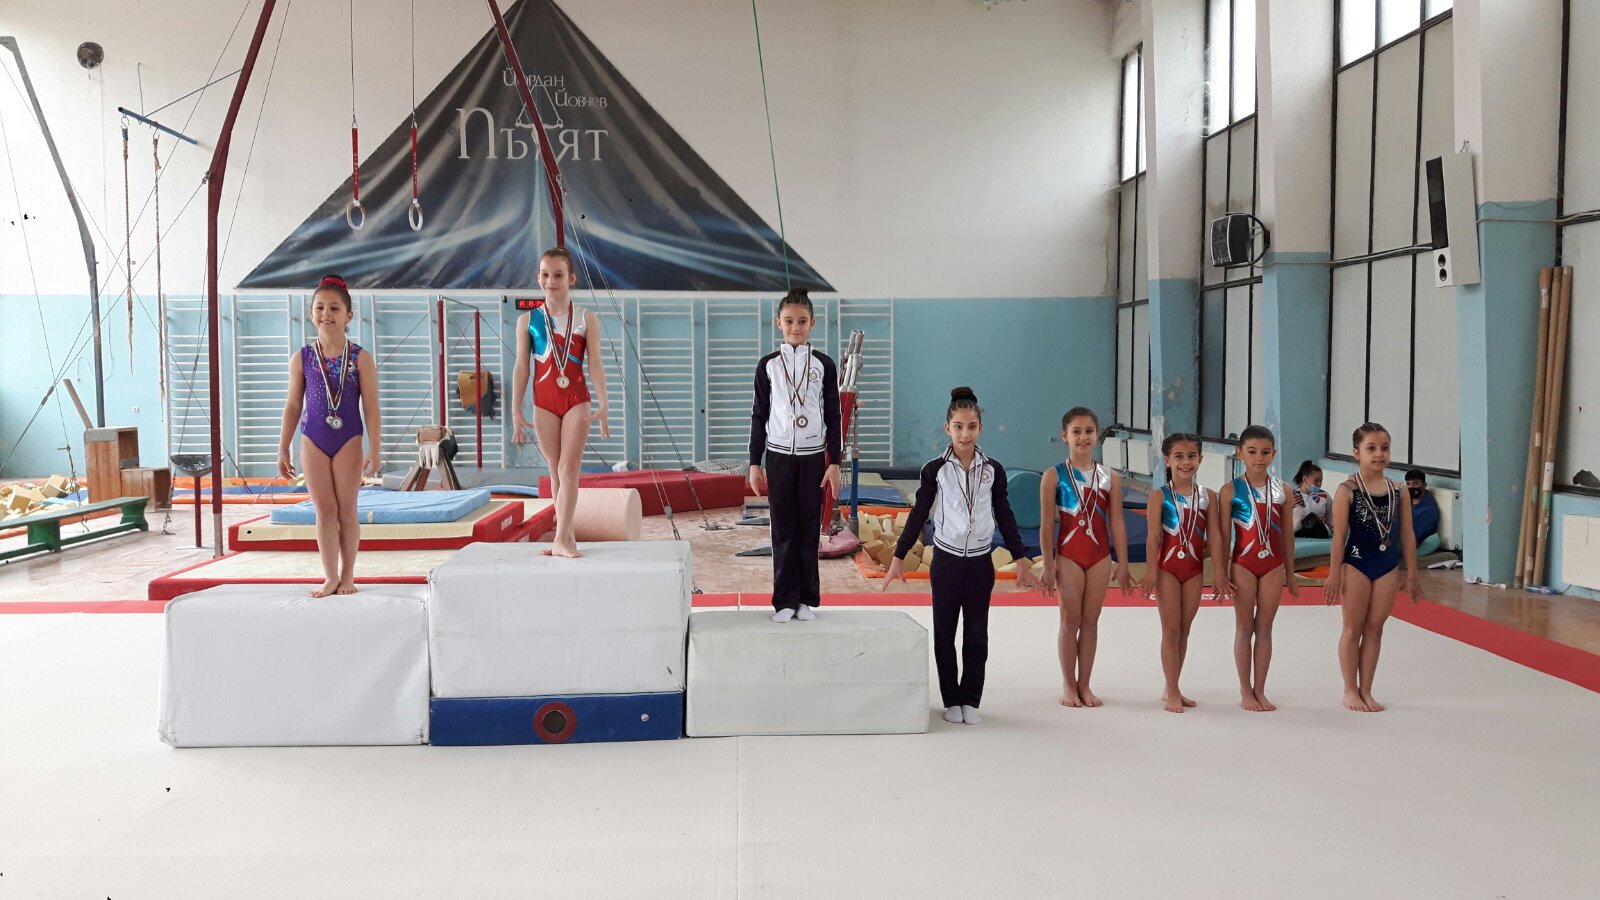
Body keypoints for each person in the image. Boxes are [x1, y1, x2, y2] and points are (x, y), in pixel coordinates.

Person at [884, 387, 1041, 726]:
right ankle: (951, 699)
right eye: (958, 427)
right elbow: (919, 513)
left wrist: (1021, 559)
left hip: (980, 562)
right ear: (947, 428)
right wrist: (898, 556)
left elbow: (1005, 514)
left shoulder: (993, 470)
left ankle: (971, 698)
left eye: (971, 426)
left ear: (980, 428)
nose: (965, 434)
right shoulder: (935, 469)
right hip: (947, 561)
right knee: (945, 632)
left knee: (976, 633)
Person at [276, 274, 381, 598]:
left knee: (347, 511)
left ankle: (348, 575)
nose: (326, 314)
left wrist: (375, 449)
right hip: (313, 439)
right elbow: (293, 405)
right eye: (320, 307)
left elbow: (371, 407)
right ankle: (330, 576)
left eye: (334, 308)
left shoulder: (360, 357)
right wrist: (283, 448)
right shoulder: (303, 357)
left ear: (349, 316)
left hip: (348, 439)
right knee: (324, 511)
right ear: (311, 313)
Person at [748, 289, 842, 623]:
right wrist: (754, 461)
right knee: (783, 530)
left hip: (813, 457)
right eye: (789, 321)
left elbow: (833, 415)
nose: (795, 327)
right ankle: (785, 600)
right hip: (779, 457)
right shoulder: (768, 366)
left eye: (802, 321)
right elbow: (759, 414)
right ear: (778, 323)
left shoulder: (824, 365)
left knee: (808, 529)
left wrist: (835, 462)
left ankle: (805, 600)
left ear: (812, 323)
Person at [512, 247, 611, 559]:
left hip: (576, 399)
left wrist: (604, 403)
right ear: (538, 278)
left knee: (569, 469)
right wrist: (515, 410)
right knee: (555, 472)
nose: (550, 281)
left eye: (557, 275)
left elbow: (595, 363)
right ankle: (565, 536)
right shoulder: (528, 320)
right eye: (545, 275)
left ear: (571, 278)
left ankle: (561, 539)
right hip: (544, 403)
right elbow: (521, 368)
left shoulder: (585, 318)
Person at [1039, 407, 1134, 708]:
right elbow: (1046, 524)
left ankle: (1085, 684)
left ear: (1097, 435)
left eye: (1089, 431)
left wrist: (1124, 564)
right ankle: (1069, 684)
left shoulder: (1110, 477)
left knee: (1091, 621)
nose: (1083, 437)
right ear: (1064, 436)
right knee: (1071, 620)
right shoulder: (1053, 475)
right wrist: (1048, 563)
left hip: (1099, 557)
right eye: (1076, 432)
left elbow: (1117, 523)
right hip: (1069, 556)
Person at [1325, 423, 1423, 712]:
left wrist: (1412, 574)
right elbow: (1339, 536)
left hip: (1387, 566)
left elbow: (1407, 534)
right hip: (1356, 563)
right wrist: (1333, 574)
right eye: (1371, 448)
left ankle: (1366, 689)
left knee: (1375, 628)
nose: (1379, 454)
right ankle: (1350, 690)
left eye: (1385, 448)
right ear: (1357, 453)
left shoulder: (1399, 490)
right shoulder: (1347, 490)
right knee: (1353, 627)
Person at [1216, 425, 1298, 712]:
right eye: (1252, 452)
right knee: (1244, 626)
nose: (1259, 458)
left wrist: (1291, 574)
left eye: (1265, 452)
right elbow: (1223, 536)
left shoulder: (1283, 490)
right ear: (1240, 453)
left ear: (1274, 454)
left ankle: (1260, 689)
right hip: (1243, 564)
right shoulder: (1229, 491)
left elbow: (1287, 536)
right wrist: (1221, 572)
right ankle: (1245, 690)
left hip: (1273, 565)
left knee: (1265, 628)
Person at [1139, 433, 1221, 713]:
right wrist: (1151, 572)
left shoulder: (1208, 497)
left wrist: (1219, 572)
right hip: (1167, 569)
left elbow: (1215, 536)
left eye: (1191, 456)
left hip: (1194, 569)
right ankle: (1172, 690)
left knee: (1184, 630)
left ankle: (1172, 684)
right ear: (1167, 460)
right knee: (1171, 629)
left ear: (1200, 459)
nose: (1186, 462)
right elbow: (1153, 537)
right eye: (1179, 456)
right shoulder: (1160, 497)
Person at [1292, 460, 1332, 539]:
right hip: (1297, 534)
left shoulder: (1325, 496)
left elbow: (1331, 518)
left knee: (1313, 518)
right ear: (1304, 480)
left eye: (1321, 480)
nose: (1319, 484)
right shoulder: (1292, 496)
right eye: (1316, 481)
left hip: (1319, 534)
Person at [1405, 468, 1440, 544]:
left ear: (1424, 485)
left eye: (1416, 483)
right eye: (1408, 484)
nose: (1411, 487)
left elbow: (1413, 540)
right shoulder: (1405, 501)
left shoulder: (1429, 511)